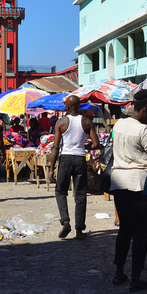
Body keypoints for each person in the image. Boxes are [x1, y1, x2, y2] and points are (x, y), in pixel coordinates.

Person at [109, 90, 147, 292]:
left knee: (124, 230)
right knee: (139, 233)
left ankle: (119, 272)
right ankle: (136, 278)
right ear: (145, 110)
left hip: (118, 183)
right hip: (138, 184)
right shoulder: (143, 130)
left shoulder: (119, 124)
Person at [47, 95, 100, 239]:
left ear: (68, 107)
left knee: (60, 191)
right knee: (80, 195)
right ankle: (79, 230)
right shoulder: (86, 122)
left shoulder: (61, 122)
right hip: (80, 158)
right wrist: (85, 146)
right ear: (79, 106)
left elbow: (56, 147)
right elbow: (96, 144)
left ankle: (65, 221)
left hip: (65, 159)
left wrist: (52, 168)